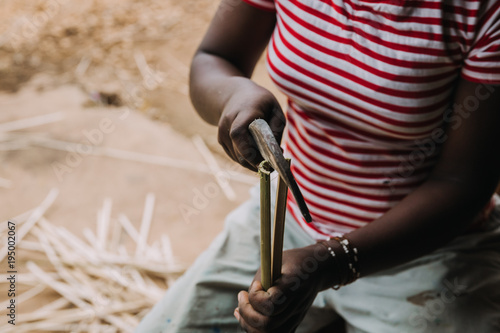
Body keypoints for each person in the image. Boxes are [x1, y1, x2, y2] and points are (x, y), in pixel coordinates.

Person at [136, 0, 500, 332]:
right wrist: (234, 94)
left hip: (424, 250)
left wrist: (330, 263)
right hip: (287, 224)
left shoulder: (481, 11)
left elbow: (463, 182)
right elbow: (214, 56)